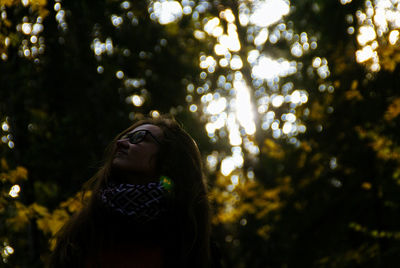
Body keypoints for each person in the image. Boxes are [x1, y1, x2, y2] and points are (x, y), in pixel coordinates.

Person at [49, 115, 212, 268]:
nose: (120, 142)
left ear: (169, 159)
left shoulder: (185, 232)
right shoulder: (85, 225)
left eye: (139, 138)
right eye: (125, 137)